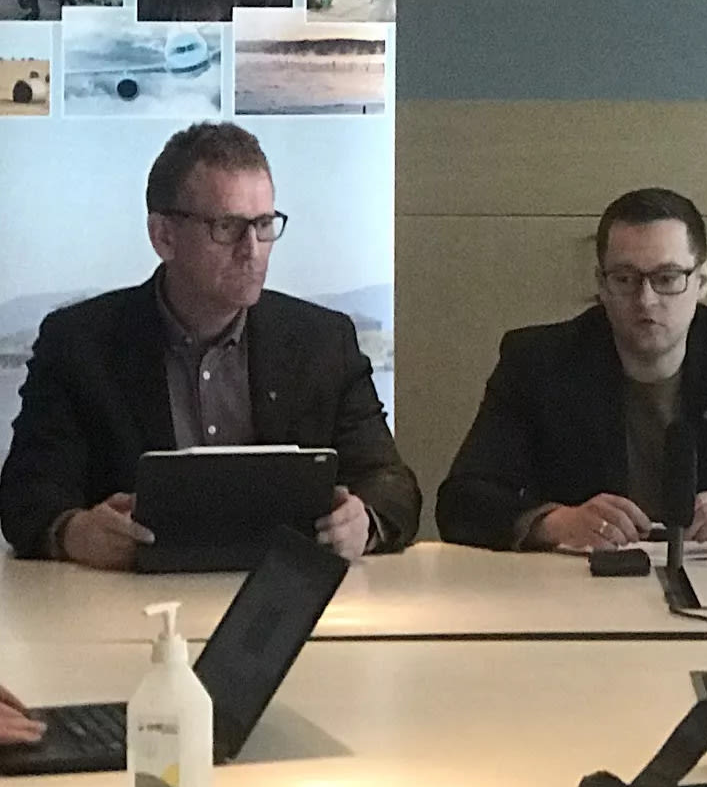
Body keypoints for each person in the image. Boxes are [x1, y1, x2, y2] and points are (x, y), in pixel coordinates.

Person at [0, 121, 422, 567]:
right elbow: (26, 495)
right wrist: (74, 533)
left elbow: (391, 484)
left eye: (264, 225)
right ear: (163, 236)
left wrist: (363, 523)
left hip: (281, 593)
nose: (252, 249)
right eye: (227, 226)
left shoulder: (322, 341)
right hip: (128, 598)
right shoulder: (80, 344)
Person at [437, 188, 707, 552]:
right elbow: (461, 502)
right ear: (601, 284)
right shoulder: (538, 362)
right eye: (625, 279)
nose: (646, 300)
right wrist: (555, 523)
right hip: (577, 585)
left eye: (668, 278)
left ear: (702, 281)